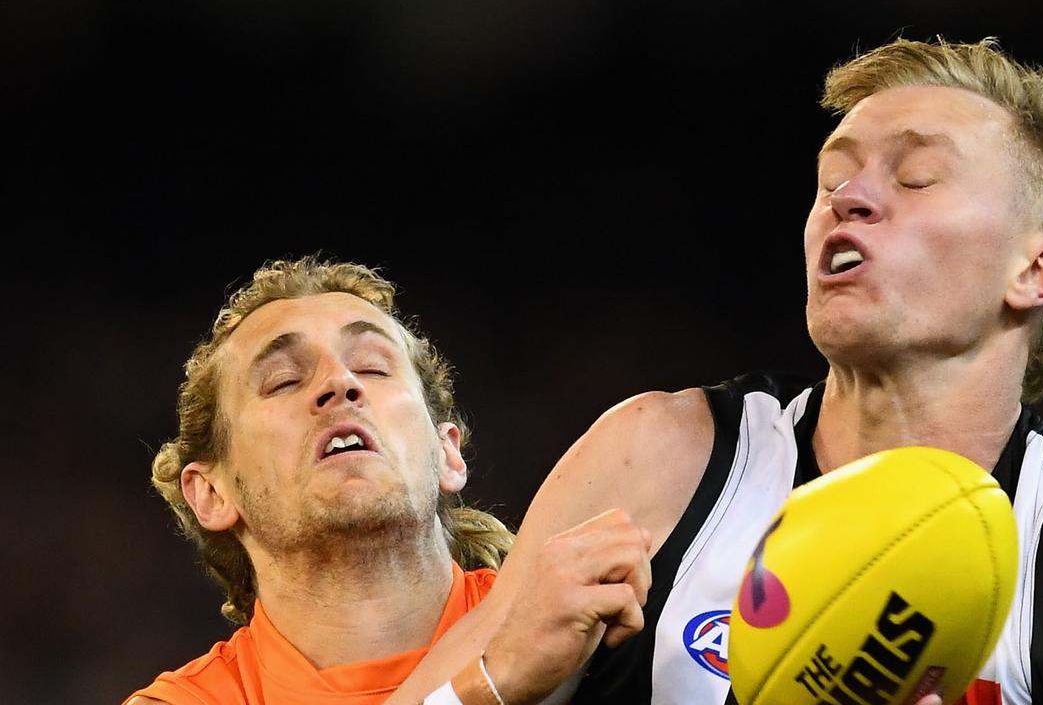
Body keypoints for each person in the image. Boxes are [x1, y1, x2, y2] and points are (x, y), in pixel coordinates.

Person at [385, 37, 1043, 705]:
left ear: (1036, 272)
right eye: (833, 177)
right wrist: (491, 688)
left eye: (917, 175)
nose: (849, 196)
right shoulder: (662, 457)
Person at [125, 257, 652, 705]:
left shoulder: (592, 624)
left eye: (374, 367)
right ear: (212, 493)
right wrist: (490, 682)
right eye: (284, 380)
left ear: (447, 452)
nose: (340, 382)